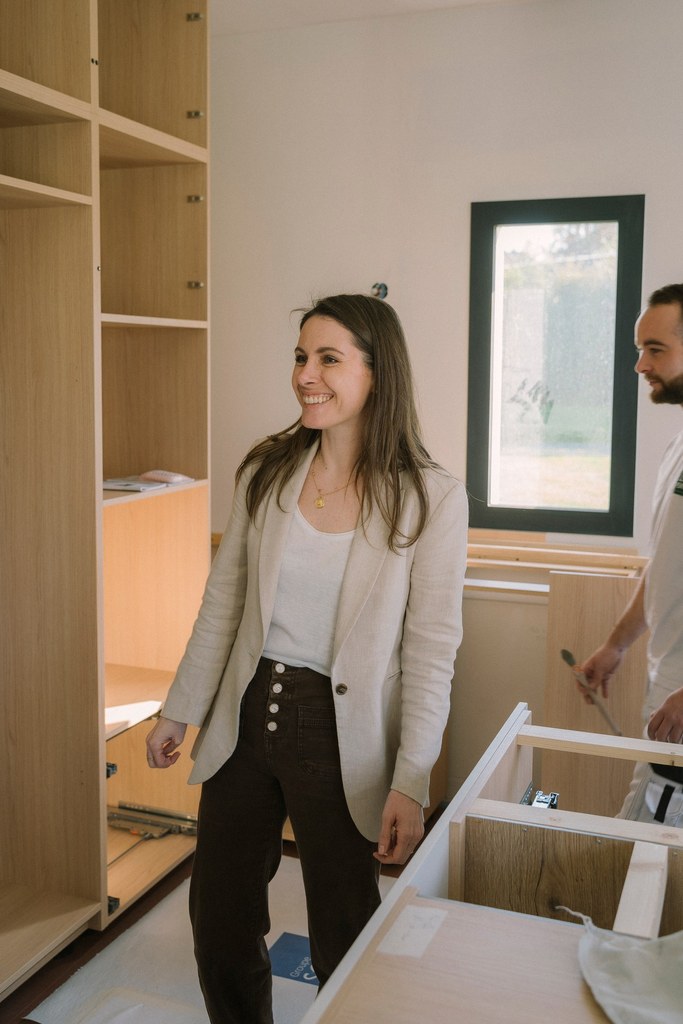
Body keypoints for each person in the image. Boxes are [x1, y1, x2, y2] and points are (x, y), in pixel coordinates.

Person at [145, 293, 469, 1023]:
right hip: (244, 715)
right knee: (219, 924)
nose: (305, 376)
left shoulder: (431, 497)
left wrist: (411, 779)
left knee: (343, 936)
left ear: (377, 372)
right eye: (300, 357)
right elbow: (222, 604)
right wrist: (180, 709)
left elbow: (430, 651)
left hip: (340, 733)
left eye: (328, 359)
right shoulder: (267, 470)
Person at [577, 283, 683, 827]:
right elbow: (666, 565)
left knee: (643, 857)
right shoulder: (678, 447)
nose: (640, 365)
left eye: (655, 350)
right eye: (640, 350)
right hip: (667, 695)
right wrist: (616, 644)